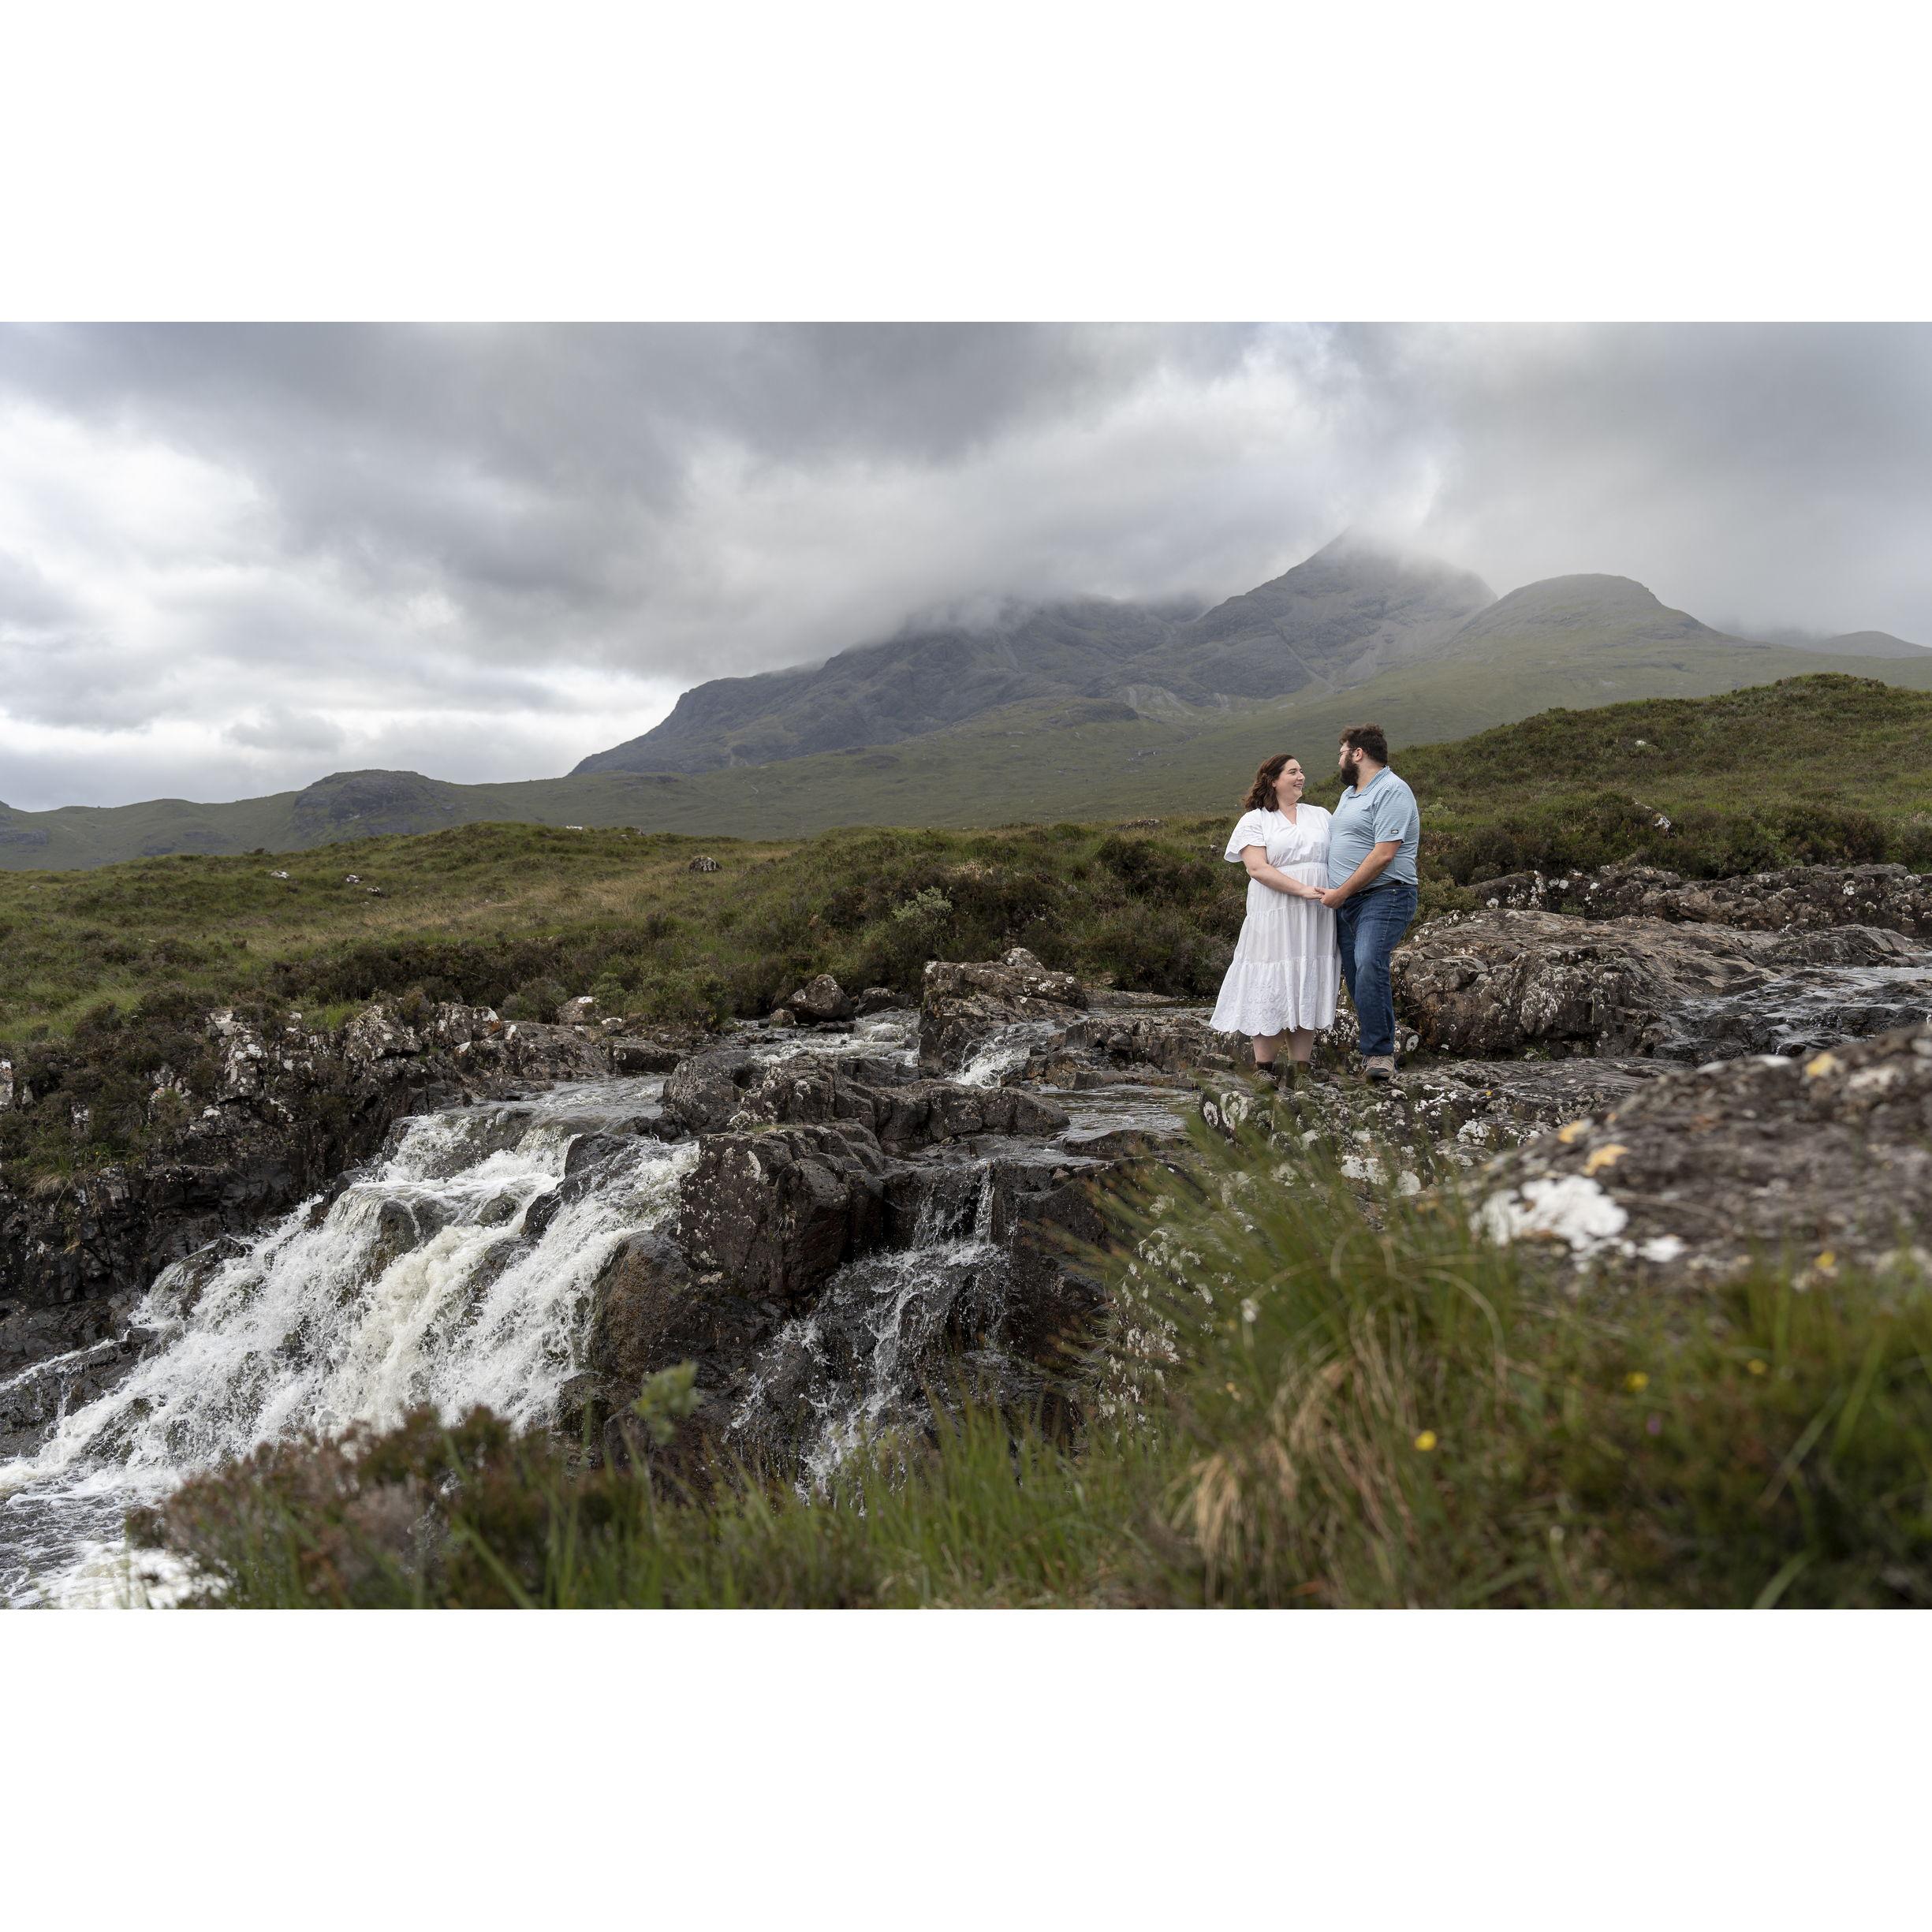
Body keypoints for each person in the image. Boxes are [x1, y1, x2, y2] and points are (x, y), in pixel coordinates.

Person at [1209, 752, 1340, 1086]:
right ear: (1273, 780)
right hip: (1274, 913)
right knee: (1271, 979)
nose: (1301, 776)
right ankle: (1264, 1069)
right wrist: (1301, 889)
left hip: (1316, 914)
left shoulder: (1321, 815)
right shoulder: (1255, 820)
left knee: (1306, 977)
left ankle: (1301, 1071)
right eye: (1293, 771)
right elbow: (1257, 868)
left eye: (1302, 771)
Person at [1319, 722, 1420, 1082]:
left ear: (1358, 754)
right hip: (1349, 902)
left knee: (1368, 962)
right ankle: (1374, 1051)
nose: (1339, 760)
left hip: (1385, 894)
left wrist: (1341, 892)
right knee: (1355, 973)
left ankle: (1380, 1055)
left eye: (1342, 753)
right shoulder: (1350, 795)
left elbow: (1383, 854)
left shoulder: (1392, 790)